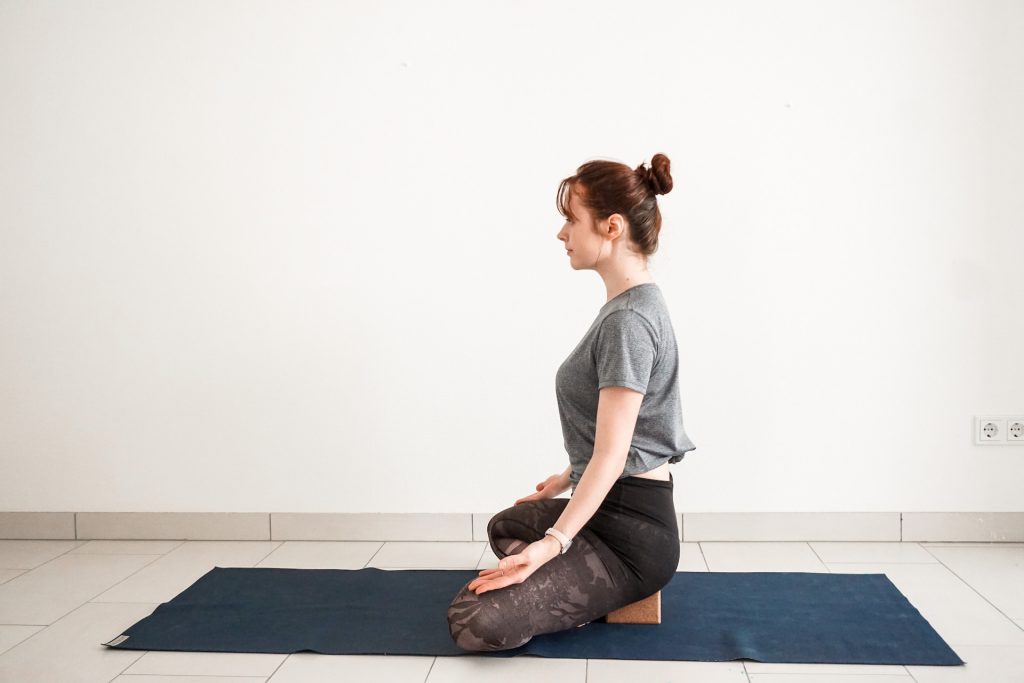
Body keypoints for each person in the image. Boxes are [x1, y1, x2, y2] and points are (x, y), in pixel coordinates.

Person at [446, 153, 698, 652]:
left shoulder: (629, 322)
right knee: (506, 524)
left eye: (570, 220)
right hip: (607, 507)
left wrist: (550, 547)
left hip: (631, 536)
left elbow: (612, 454)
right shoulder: (628, 307)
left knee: (472, 622)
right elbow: (623, 433)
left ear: (611, 227)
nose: (561, 234)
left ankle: (598, 585)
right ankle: (570, 584)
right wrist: (564, 478)